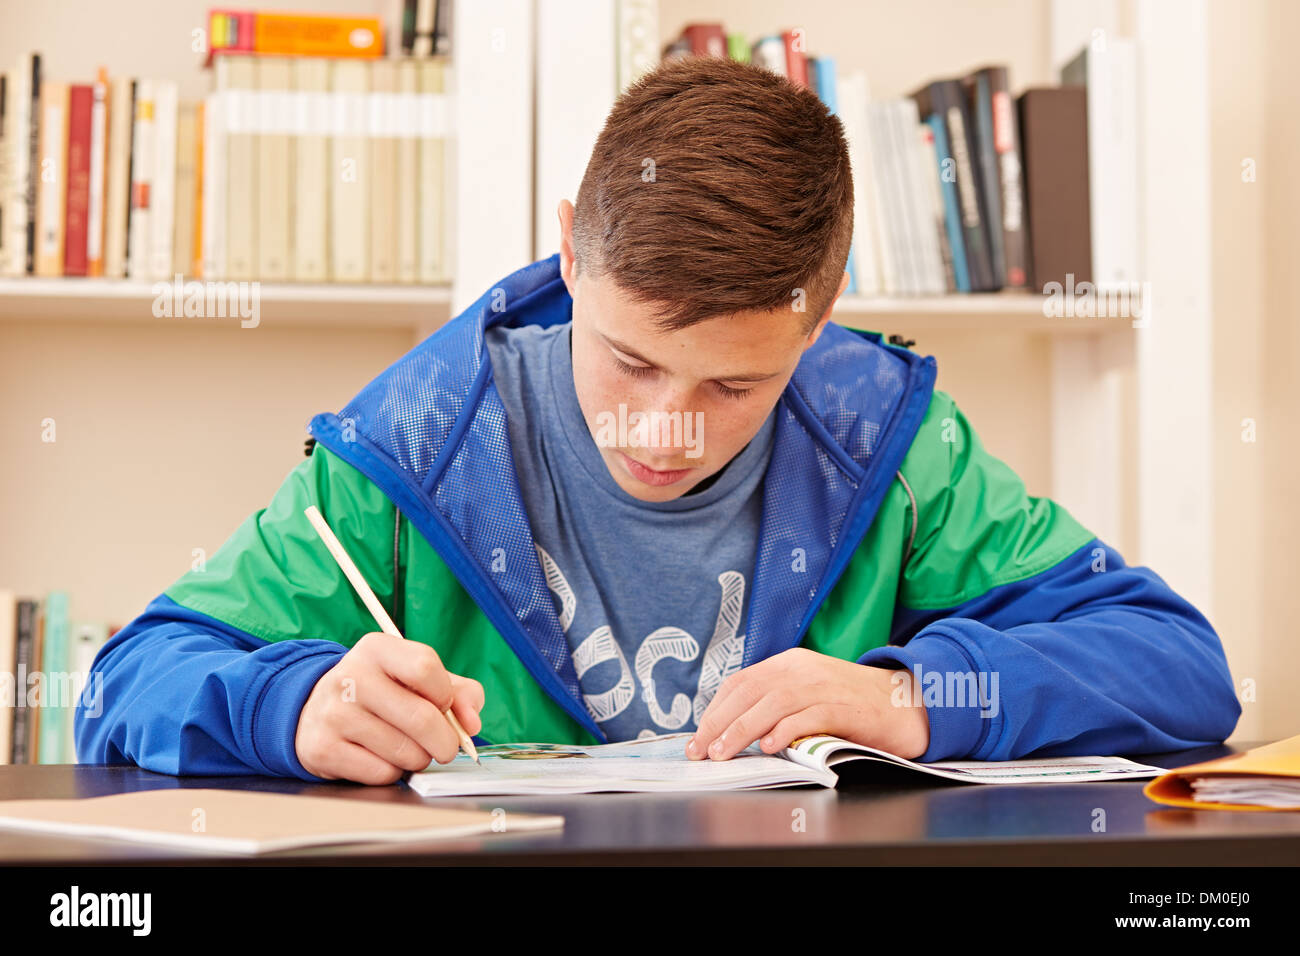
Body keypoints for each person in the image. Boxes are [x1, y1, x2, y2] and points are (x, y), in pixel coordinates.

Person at [75, 56, 1239, 784]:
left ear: (818, 315)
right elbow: (125, 685)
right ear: (572, 248)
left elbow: (1182, 666)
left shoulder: (887, 441)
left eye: (732, 387)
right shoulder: (410, 446)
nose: (665, 431)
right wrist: (292, 705)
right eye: (629, 360)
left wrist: (914, 698)